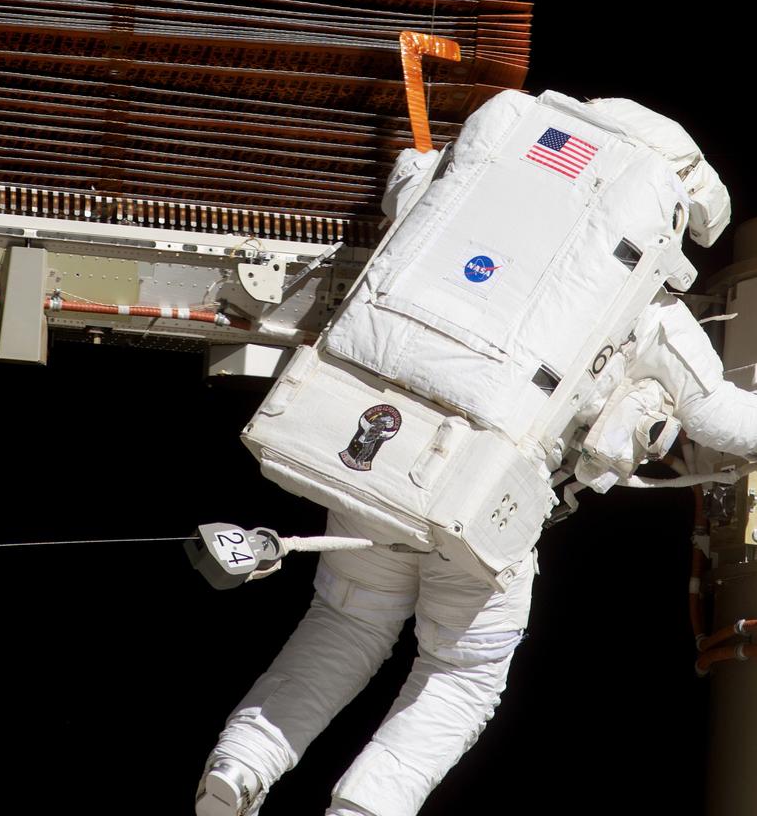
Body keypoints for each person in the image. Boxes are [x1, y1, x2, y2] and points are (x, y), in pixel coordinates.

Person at [196, 89, 757, 816]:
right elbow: (717, 418)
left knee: (344, 625)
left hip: (376, 459)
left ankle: (239, 767)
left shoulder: (458, 196)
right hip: (476, 510)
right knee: (460, 675)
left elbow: (408, 181)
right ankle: (363, 809)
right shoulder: (648, 310)